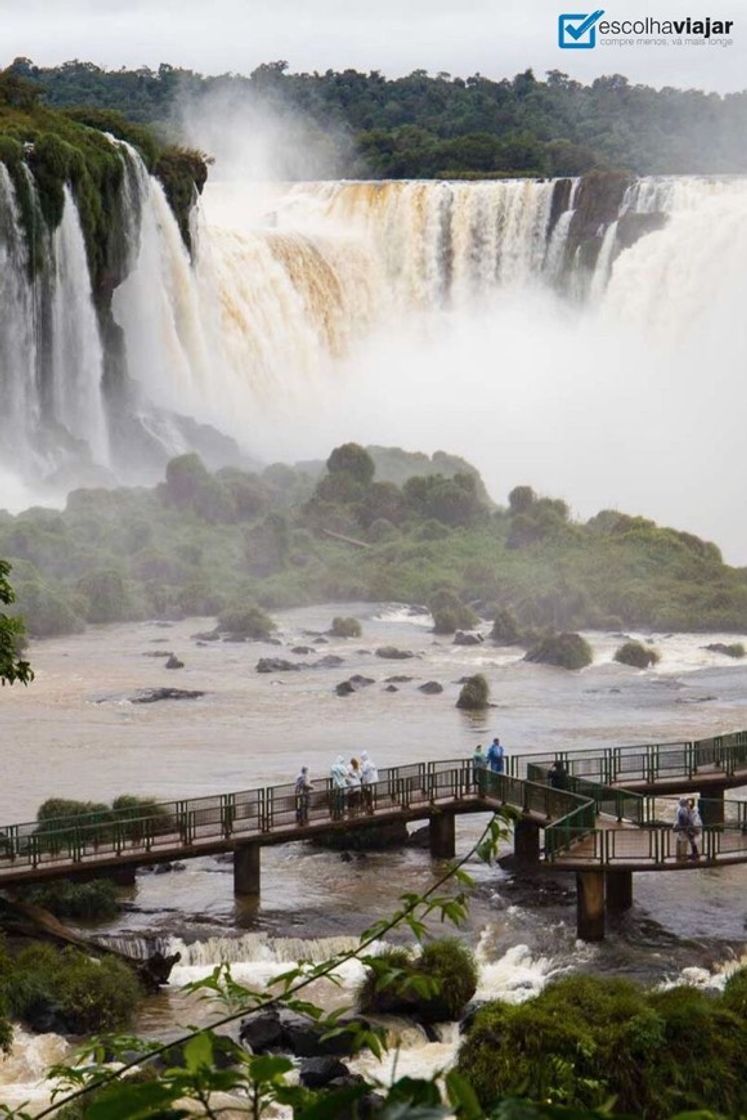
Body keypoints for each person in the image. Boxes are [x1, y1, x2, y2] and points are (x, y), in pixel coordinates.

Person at [330, 756, 348, 820]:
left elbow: (331, 774)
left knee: (336, 797)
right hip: (342, 784)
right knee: (341, 797)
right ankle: (341, 810)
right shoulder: (342, 767)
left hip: (336, 785)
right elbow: (346, 773)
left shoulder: (333, 767)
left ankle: (336, 810)